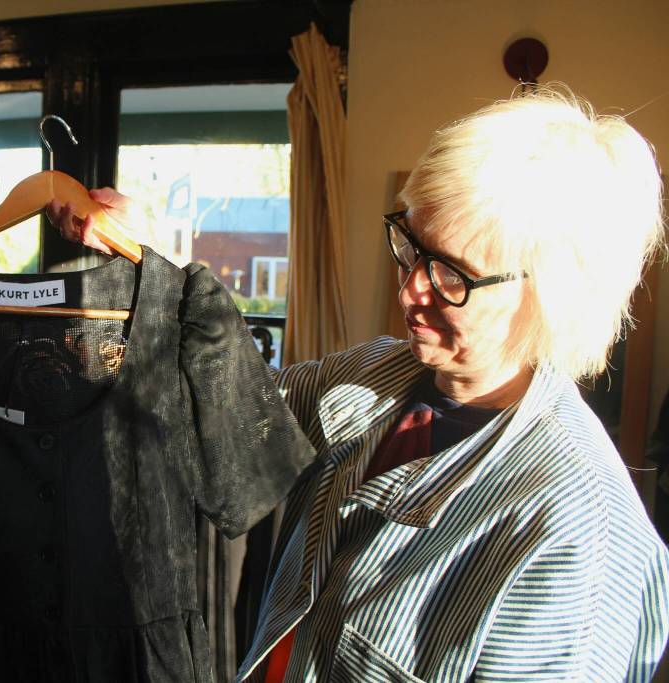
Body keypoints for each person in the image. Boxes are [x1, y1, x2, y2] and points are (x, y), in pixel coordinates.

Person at [47, 87, 669, 681]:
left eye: (451, 275)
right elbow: (235, 399)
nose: (409, 289)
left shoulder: (578, 538)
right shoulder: (374, 377)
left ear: (553, 296)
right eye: (412, 245)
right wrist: (145, 253)